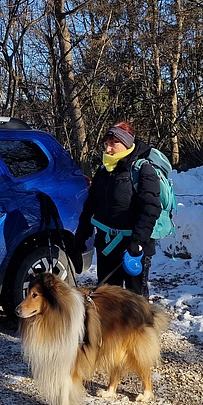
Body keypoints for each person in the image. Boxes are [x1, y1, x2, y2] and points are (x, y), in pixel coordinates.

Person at [74, 121, 162, 297]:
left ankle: (140, 326)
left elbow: (150, 208)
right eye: (106, 144)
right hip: (106, 243)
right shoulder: (104, 170)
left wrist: (137, 242)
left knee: (135, 302)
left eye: (113, 144)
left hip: (133, 247)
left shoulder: (142, 169)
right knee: (107, 300)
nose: (108, 149)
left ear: (127, 143)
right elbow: (91, 205)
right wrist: (81, 236)